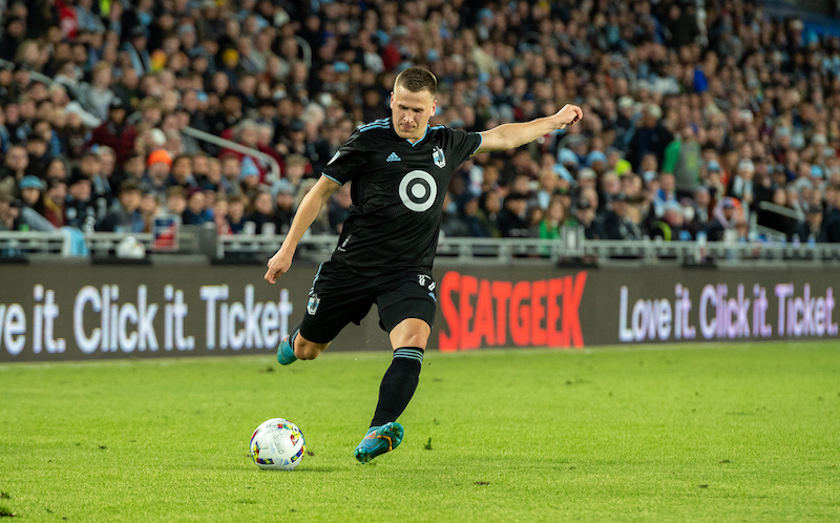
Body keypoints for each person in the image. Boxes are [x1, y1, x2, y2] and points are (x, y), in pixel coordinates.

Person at [263, 66, 583, 463]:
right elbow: (321, 191)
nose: (407, 117)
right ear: (391, 102)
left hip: (408, 272)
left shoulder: (446, 142)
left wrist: (553, 121)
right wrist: (288, 248)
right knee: (310, 350)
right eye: (401, 107)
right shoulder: (368, 140)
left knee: (413, 341)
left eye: (416, 109)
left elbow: (503, 136)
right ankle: (296, 340)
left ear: (433, 107)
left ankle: (377, 429)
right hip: (352, 267)